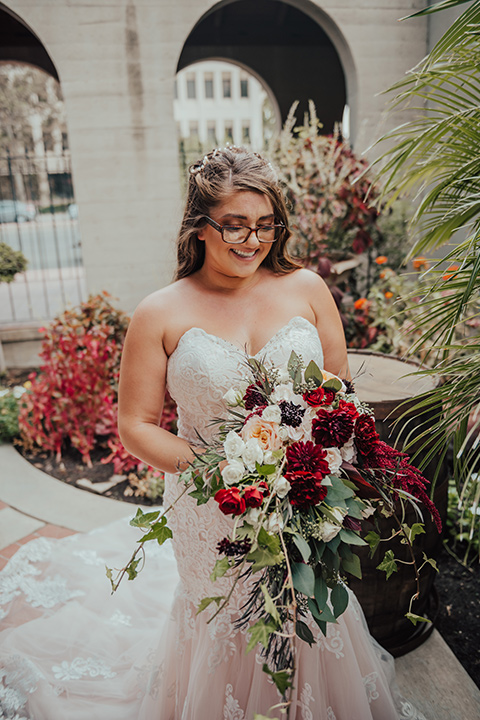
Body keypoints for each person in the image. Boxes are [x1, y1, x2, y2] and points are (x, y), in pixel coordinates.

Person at [0, 147, 425, 720]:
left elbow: (338, 394)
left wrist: (317, 467)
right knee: (227, 618)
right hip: (209, 508)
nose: (253, 240)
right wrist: (224, 470)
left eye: (265, 225)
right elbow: (135, 426)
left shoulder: (307, 288)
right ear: (200, 226)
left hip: (303, 498)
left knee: (307, 608)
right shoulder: (159, 312)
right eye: (235, 225)